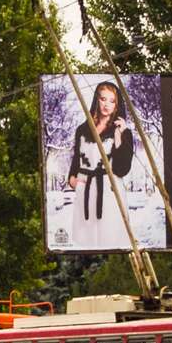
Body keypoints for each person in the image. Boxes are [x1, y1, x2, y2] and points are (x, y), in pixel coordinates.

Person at [68, 81, 136, 252]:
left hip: (110, 192)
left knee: (110, 238)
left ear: (117, 104)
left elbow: (122, 169)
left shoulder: (123, 131)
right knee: (87, 241)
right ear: (96, 100)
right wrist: (72, 178)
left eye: (112, 101)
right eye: (103, 99)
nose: (106, 104)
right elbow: (76, 157)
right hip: (85, 190)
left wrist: (119, 138)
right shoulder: (82, 129)